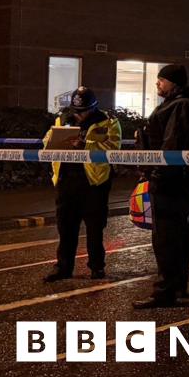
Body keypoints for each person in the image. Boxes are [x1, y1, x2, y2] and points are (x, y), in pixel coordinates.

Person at [133, 64, 189, 309]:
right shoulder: (182, 104)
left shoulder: (181, 106)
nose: (157, 84)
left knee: (165, 238)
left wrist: (156, 174)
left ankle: (165, 291)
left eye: (161, 80)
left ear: (174, 83)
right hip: (175, 179)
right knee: (177, 236)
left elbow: (171, 146)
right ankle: (177, 286)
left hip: (169, 181)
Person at [42, 87, 121, 282]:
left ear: (93, 107)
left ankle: (97, 267)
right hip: (66, 181)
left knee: (94, 228)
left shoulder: (108, 122)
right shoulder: (62, 120)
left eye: (83, 111)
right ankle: (63, 267)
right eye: (76, 111)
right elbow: (46, 142)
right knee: (66, 228)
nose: (79, 115)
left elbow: (113, 147)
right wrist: (55, 142)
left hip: (94, 183)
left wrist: (86, 145)